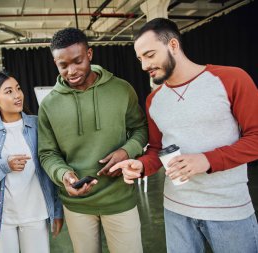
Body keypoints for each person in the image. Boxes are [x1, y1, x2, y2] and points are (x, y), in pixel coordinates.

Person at [110, 18, 258, 253]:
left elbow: (255, 138)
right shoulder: (154, 100)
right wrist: (140, 166)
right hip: (176, 211)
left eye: (150, 55)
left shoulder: (232, 79)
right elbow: (157, 150)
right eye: (140, 59)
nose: (144, 66)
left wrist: (206, 160)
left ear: (174, 45)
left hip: (229, 210)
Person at [38, 27, 148, 253]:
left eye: (77, 61)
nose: (71, 70)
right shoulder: (49, 105)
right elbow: (47, 153)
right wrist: (63, 175)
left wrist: (127, 151)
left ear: (89, 54)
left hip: (120, 198)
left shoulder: (121, 89)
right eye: (63, 65)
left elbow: (140, 129)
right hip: (77, 205)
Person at [0, 71, 64, 253]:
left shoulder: (38, 125)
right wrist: (4, 165)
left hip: (36, 214)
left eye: (18, 89)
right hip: (3, 218)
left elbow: (50, 169)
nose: (17, 95)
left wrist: (57, 211)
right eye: (8, 91)